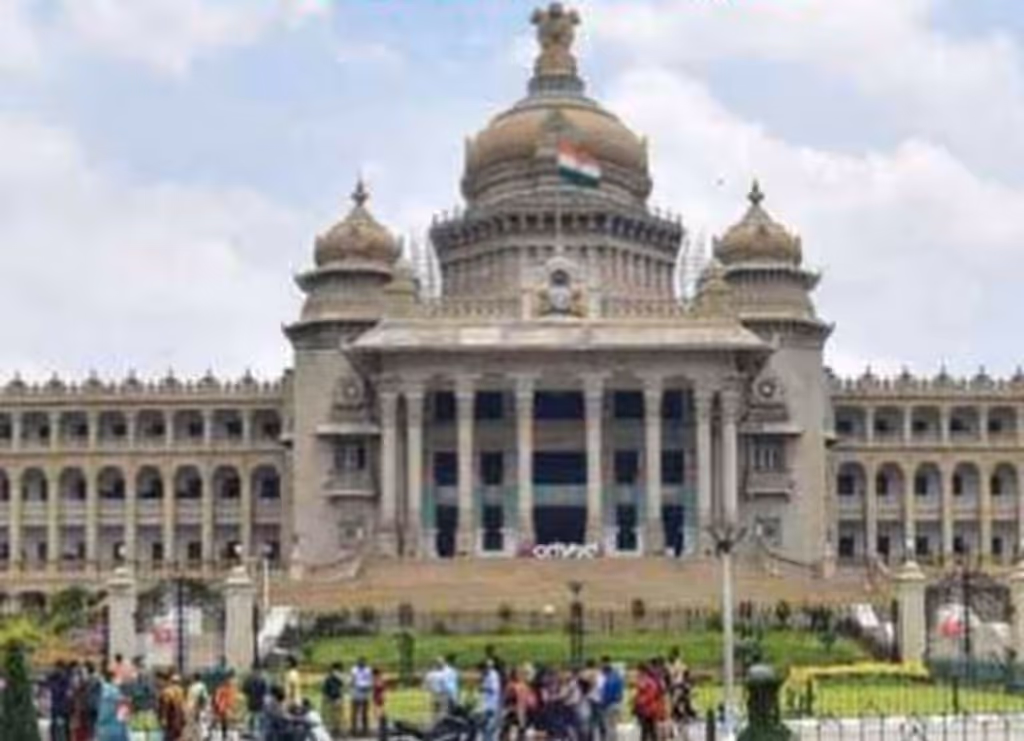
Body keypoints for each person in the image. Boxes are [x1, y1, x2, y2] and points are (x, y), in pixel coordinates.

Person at [632, 663, 664, 741]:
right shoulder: (645, 680)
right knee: (649, 730)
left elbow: (651, 695)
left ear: (642, 671)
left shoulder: (648, 681)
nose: (637, 673)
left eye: (638, 671)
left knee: (648, 730)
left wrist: (640, 701)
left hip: (649, 709)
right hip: (647, 709)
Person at [96, 670, 130, 741]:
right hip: (115, 729)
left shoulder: (103, 691)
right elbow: (123, 715)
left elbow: (103, 715)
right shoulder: (115, 692)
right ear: (112, 679)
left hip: (105, 729)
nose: (120, 680)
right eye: (117, 677)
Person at [157, 673, 187, 741]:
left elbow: (165, 706)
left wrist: (164, 718)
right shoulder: (181, 690)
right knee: (176, 736)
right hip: (178, 718)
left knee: (169, 737)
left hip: (171, 718)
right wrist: (183, 717)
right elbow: (183, 705)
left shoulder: (167, 692)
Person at [47, 661, 72, 741]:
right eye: (56, 668)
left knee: (62, 729)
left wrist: (54, 687)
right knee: (54, 728)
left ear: (62, 668)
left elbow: (64, 693)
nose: (56, 669)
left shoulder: (66, 679)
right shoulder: (54, 677)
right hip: (55, 707)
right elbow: (47, 683)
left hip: (63, 708)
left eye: (58, 668)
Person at [599, 658, 624, 741]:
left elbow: (607, 694)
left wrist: (603, 704)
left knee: (608, 726)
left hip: (609, 705)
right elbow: (620, 691)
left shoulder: (608, 680)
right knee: (613, 726)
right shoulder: (618, 677)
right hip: (617, 703)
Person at [321, 661, 346, 739]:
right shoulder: (328, 678)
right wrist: (325, 698)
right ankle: (334, 730)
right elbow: (325, 688)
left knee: (338, 715)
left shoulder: (339, 677)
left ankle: (338, 730)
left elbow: (343, 684)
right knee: (333, 715)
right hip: (331, 698)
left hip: (337, 697)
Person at [350, 657, 373, 736]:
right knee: (354, 712)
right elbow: (352, 681)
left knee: (364, 713)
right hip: (356, 692)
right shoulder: (354, 670)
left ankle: (365, 730)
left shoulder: (368, 670)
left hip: (364, 692)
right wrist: (353, 686)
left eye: (363, 663)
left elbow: (370, 681)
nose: (361, 664)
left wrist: (368, 687)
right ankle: (354, 730)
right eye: (360, 663)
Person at [480, 660, 502, 741]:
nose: (484, 668)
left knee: (489, 726)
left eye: (485, 666)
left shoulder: (493, 675)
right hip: (486, 704)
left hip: (491, 704)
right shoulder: (487, 674)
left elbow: (493, 689)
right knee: (485, 725)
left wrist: (483, 688)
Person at [212, 671, 238, 739]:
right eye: (228, 680)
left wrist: (234, 705)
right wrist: (218, 704)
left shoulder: (231, 688)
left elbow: (233, 697)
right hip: (223, 707)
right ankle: (224, 734)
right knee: (223, 721)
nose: (230, 681)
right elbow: (217, 697)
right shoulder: (222, 688)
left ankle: (228, 735)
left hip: (228, 706)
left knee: (227, 721)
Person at [184, 672, 209, 741]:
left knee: (199, 725)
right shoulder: (192, 686)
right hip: (192, 709)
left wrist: (199, 708)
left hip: (196, 708)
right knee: (193, 725)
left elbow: (203, 698)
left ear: (195, 678)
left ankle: (200, 738)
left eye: (192, 677)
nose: (191, 678)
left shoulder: (201, 686)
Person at [424, 657, 448, 724]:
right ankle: (440, 724)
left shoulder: (429, 675)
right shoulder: (442, 675)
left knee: (433, 711)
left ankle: (433, 723)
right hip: (441, 694)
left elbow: (425, 686)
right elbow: (445, 686)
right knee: (442, 711)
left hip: (432, 694)